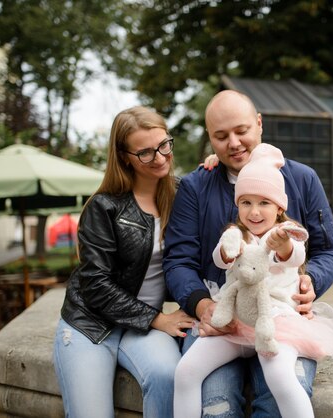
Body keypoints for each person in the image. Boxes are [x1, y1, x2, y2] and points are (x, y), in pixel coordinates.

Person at [163, 90, 333, 417]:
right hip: (219, 318)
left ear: (259, 124)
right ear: (210, 139)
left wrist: (311, 282)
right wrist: (201, 304)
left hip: (280, 316)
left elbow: (330, 250)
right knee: (214, 404)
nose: (233, 142)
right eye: (221, 136)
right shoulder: (195, 186)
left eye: (241, 131)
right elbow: (178, 261)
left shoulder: (302, 179)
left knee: (282, 395)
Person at [53, 106, 196, 418]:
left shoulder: (184, 194)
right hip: (90, 325)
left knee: (169, 377)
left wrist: (213, 164)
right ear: (123, 157)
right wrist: (158, 320)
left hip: (141, 328)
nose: (159, 158)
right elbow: (96, 285)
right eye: (145, 153)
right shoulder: (103, 207)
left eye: (164, 145)